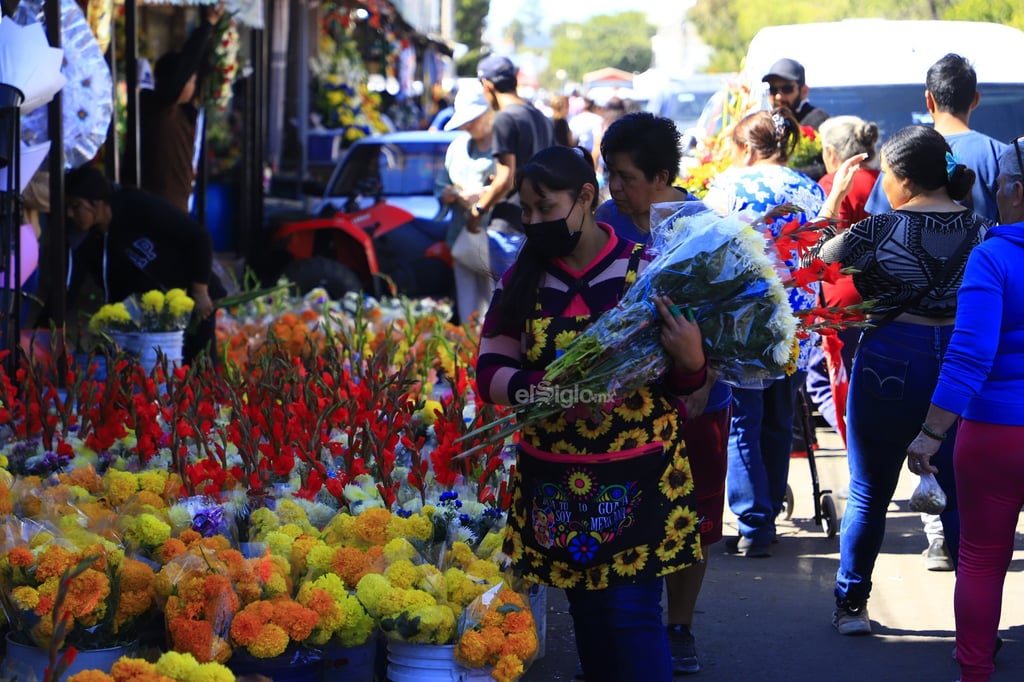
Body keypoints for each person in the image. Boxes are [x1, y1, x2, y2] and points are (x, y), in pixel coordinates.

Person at [476, 146, 707, 682]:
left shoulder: (648, 271)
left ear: (585, 197)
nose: (533, 222)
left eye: (543, 207)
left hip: (639, 474)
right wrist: (553, 392)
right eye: (526, 211)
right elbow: (490, 374)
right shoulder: (521, 280)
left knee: (630, 614)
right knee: (588, 614)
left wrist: (693, 360)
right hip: (557, 482)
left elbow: (684, 383)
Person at [806, 124, 991, 636]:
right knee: (958, 491)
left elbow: (814, 261)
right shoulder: (981, 229)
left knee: (869, 491)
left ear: (903, 179)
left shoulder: (875, 230)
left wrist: (835, 199)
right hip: (959, 364)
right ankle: (975, 619)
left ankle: (851, 606)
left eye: (885, 173)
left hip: (890, 359)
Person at [598, 111, 731, 676]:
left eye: (624, 176)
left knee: (693, 522)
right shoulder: (601, 223)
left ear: (658, 176)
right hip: (622, 405)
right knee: (626, 518)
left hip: (699, 404)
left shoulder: (707, 228)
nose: (614, 188)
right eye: (609, 174)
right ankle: (629, 629)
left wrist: (705, 376)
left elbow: (734, 321)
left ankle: (678, 627)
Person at [904, 141, 1024, 682]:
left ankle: (975, 670)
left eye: (1000, 185)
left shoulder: (995, 257)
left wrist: (930, 434)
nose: (995, 194)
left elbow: (970, 353)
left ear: (1017, 192)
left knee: (980, 558)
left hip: (996, 434)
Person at [702, 108, 826, 558]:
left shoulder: (727, 186)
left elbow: (709, 250)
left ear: (747, 147)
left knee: (742, 420)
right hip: (797, 319)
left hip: (744, 320)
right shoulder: (810, 188)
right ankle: (768, 510)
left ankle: (753, 522)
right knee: (779, 416)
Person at [61, 165, 223, 364]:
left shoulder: (135, 205)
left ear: (96, 203)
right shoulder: (90, 240)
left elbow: (199, 238)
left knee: (200, 369)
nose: (69, 214)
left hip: (193, 302)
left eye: (75, 206)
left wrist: (200, 292)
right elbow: (71, 286)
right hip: (153, 321)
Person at [805, 115, 881, 444]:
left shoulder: (833, 183)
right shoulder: (884, 180)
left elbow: (820, 246)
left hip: (840, 299)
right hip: (882, 295)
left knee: (826, 380)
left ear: (832, 153)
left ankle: (857, 442)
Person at [866, 53, 1010, 222]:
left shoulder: (902, 153)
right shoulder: (1002, 155)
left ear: (929, 99)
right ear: (975, 99)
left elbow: (877, 222)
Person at [140, 3, 223, 213]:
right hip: (161, 208)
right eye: (190, 81)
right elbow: (185, 68)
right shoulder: (162, 109)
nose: (193, 86)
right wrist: (207, 25)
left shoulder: (178, 113)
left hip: (177, 205)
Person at [467, 55, 554, 236]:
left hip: (510, 223)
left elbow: (506, 179)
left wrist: (477, 212)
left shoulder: (504, 118)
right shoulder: (541, 117)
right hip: (540, 222)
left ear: (487, 85)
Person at [435, 87, 497, 325]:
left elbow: (514, 188)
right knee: (468, 313)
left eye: (473, 120)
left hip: (495, 242)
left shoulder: (504, 149)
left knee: (493, 313)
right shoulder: (457, 148)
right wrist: (450, 194)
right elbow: (441, 184)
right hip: (462, 240)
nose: (468, 126)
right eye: (466, 122)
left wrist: (485, 195)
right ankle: (468, 357)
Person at [762, 58, 829, 179]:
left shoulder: (818, 119)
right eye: (773, 90)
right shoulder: (766, 122)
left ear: (803, 91)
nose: (778, 96)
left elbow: (827, 167)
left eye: (787, 89)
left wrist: (786, 173)